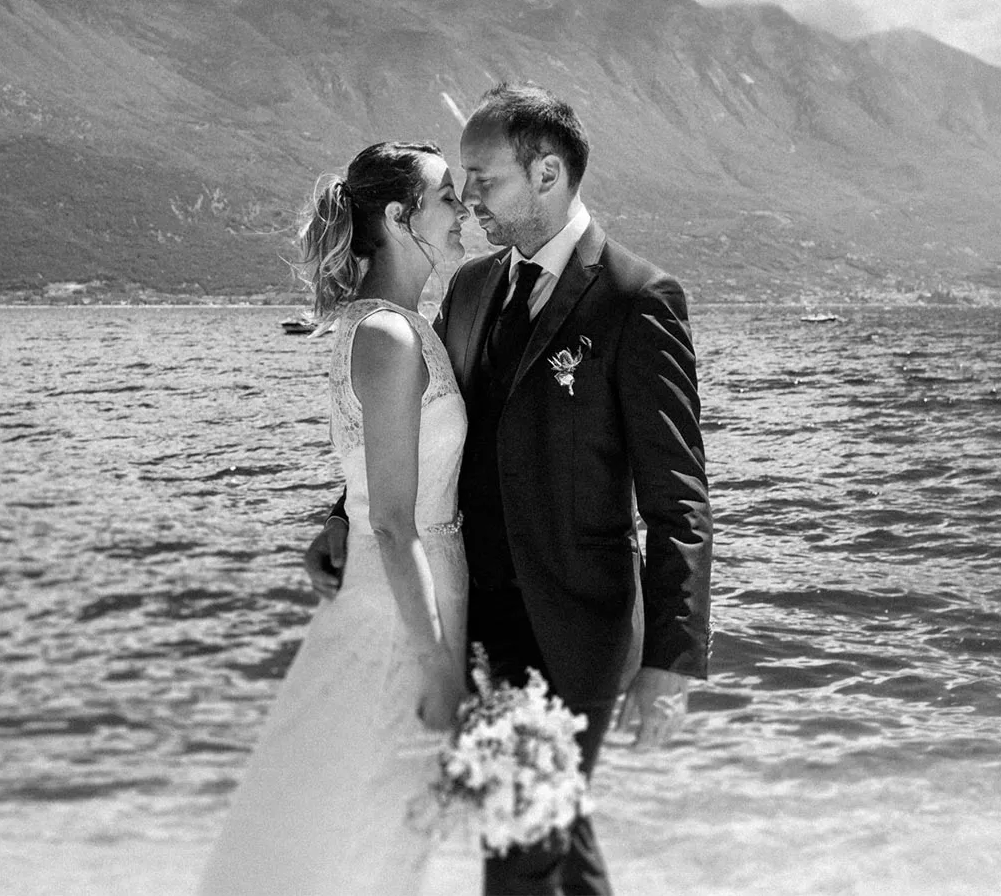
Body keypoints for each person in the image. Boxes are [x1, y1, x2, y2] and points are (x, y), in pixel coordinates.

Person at [305, 83, 712, 895]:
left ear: (548, 173)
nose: (471, 201)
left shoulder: (638, 300)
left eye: (484, 180)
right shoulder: (468, 289)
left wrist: (672, 659)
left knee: (520, 848)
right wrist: (344, 511)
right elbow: (422, 440)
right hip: (476, 618)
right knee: (553, 835)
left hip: (579, 625)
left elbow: (678, 498)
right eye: (460, 184)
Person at [199, 141, 472, 896]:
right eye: (446, 196)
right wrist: (439, 665)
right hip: (398, 616)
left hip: (408, 597)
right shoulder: (388, 336)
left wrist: (334, 515)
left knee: (377, 830)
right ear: (398, 216)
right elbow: (390, 520)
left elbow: (376, 490)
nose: (463, 209)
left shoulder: (401, 325)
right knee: (374, 831)